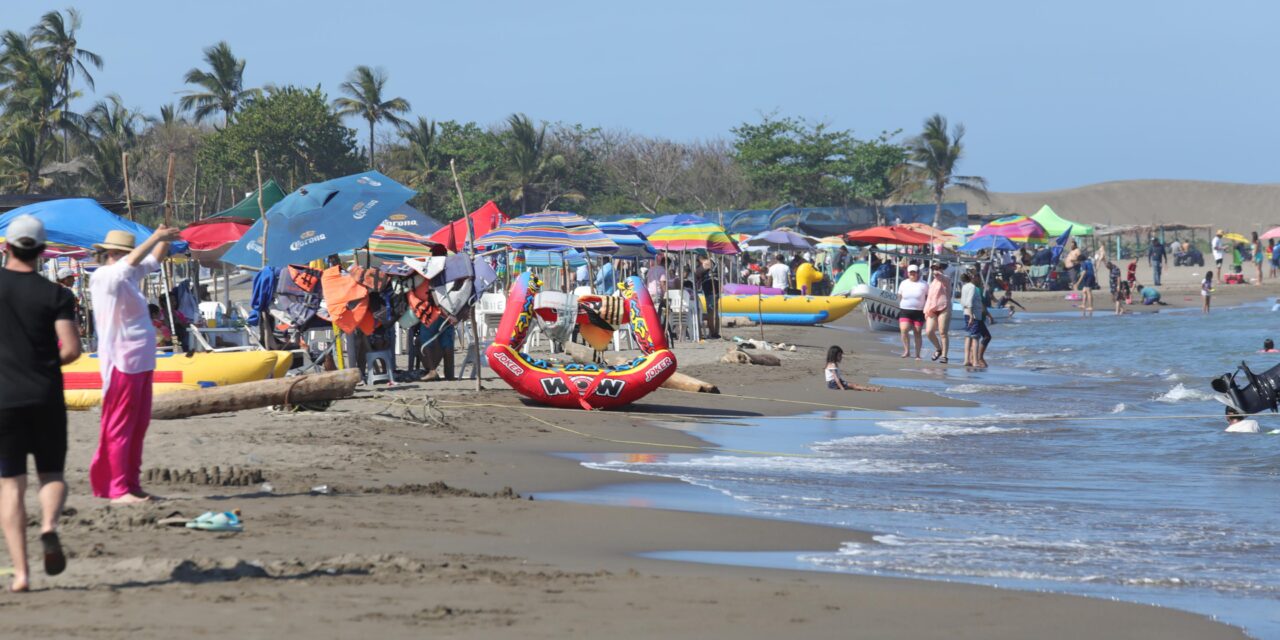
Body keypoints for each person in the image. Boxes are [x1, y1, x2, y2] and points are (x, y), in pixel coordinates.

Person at [0, 216, 81, 593]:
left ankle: (21, 574)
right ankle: (49, 526)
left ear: (6, 247)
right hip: (46, 393)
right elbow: (71, 350)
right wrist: (44, 361)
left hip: (3, 400)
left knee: (10, 486)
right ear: (43, 252)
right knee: (50, 475)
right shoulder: (57, 295)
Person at [88, 226, 181, 504]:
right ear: (114, 254)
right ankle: (118, 488)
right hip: (122, 362)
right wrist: (155, 238)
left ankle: (131, 483)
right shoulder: (106, 276)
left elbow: (152, 262)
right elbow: (127, 267)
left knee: (138, 426)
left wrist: (163, 240)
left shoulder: (127, 277)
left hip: (140, 360)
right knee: (121, 426)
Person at [960, 272, 992, 368]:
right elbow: (971, 302)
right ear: (972, 278)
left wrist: (966, 311)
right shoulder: (973, 288)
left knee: (968, 336)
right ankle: (975, 361)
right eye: (976, 277)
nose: (978, 279)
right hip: (974, 315)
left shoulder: (964, 286)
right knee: (975, 337)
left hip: (967, 313)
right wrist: (971, 315)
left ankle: (967, 359)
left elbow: (963, 302)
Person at [896, 264, 928, 359]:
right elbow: (899, 295)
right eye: (911, 273)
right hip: (905, 310)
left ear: (918, 273)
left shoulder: (924, 284)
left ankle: (917, 354)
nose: (912, 274)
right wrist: (899, 304)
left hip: (919, 312)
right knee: (904, 329)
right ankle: (907, 351)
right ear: (908, 273)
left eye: (914, 272)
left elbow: (928, 297)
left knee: (917, 332)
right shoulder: (903, 283)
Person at [923, 262, 952, 364]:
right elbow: (929, 298)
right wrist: (926, 310)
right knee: (929, 331)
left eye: (937, 268)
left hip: (944, 308)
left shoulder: (946, 279)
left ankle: (944, 356)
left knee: (943, 332)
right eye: (933, 269)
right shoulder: (932, 283)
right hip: (932, 309)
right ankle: (938, 349)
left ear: (941, 269)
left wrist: (938, 272)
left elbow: (942, 278)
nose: (935, 271)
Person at [694, 256, 720, 339]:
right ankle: (714, 332)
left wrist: (695, 271)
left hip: (711, 290)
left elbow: (697, 272)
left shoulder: (707, 262)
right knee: (714, 311)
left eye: (698, 261)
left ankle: (713, 332)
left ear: (700, 258)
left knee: (711, 311)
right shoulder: (711, 262)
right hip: (711, 289)